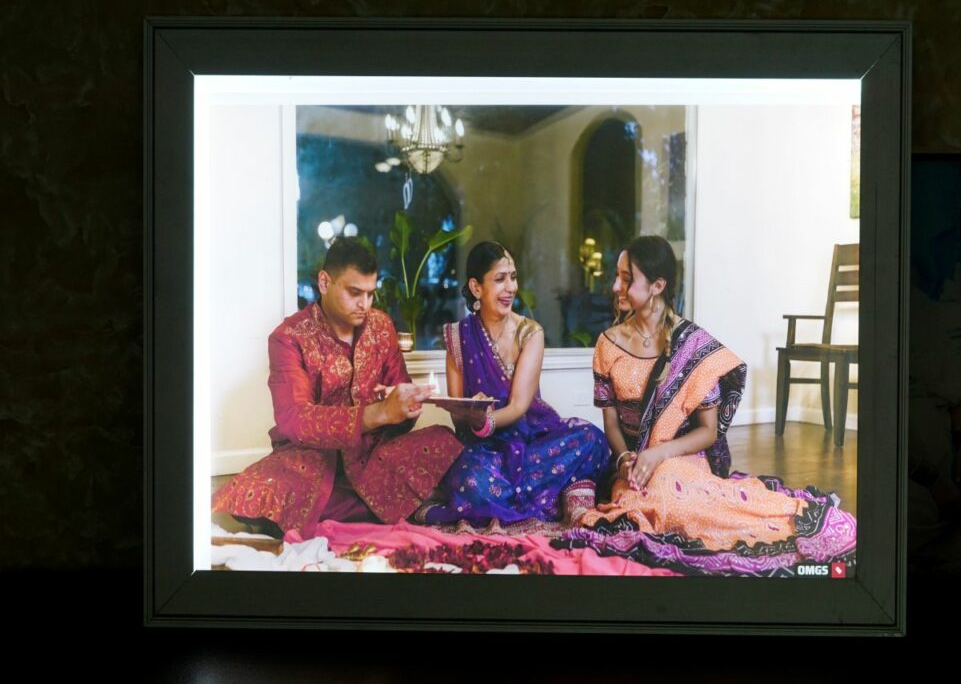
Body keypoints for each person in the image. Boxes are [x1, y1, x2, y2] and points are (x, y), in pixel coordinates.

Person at [558, 236, 856, 575]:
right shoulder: (607, 344)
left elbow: (708, 432)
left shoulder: (693, 345)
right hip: (633, 465)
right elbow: (610, 421)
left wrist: (659, 454)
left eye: (627, 278)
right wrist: (626, 457)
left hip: (681, 460)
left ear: (658, 285)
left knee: (667, 490)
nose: (615, 286)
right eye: (617, 275)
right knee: (635, 505)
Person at [212, 238, 463, 538]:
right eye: (354, 292)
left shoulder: (381, 326)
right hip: (312, 462)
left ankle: (346, 509)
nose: (365, 304)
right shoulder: (289, 337)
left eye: (371, 294)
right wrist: (377, 413)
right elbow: (294, 419)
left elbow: (399, 411)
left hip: (374, 456)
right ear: (324, 282)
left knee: (444, 440)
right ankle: (392, 505)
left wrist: (405, 408)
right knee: (255, 491)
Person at [416, 242, 610, 528]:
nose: (510, 287)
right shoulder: (458, 337)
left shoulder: (529, 333)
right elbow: (458, 416)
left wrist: (488, 420)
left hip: (532, 438)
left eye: (513, 277)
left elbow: (519, 405)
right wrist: (472, 415)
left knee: (592, 439)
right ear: (476, 287)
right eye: (499, 279)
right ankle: (547, 494)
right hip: (483, 449)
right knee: (471, 478)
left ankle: (507, 496)